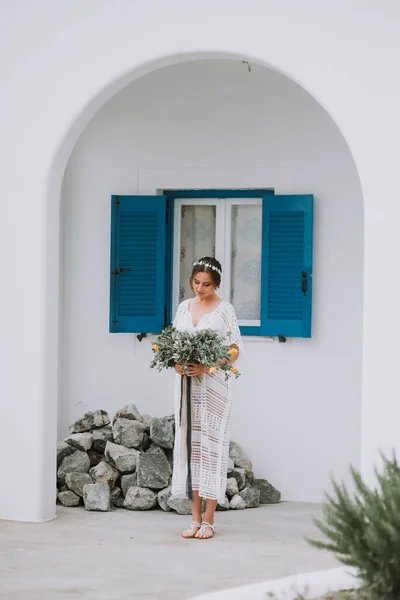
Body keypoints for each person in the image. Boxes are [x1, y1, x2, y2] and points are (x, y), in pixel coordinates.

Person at [171, 257, 243, 539]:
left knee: (211, 448)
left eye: (207, 284)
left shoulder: (224, 310)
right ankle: (194, 518)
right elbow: (174, 342)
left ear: (217, 284)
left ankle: (210, 520)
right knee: (189, 448)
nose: (200, 288)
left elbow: (235, 348)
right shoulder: (183, 307)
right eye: (196, 282)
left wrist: (207, 366)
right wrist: (175, 363)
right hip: (186, 385)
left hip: (213, 385)